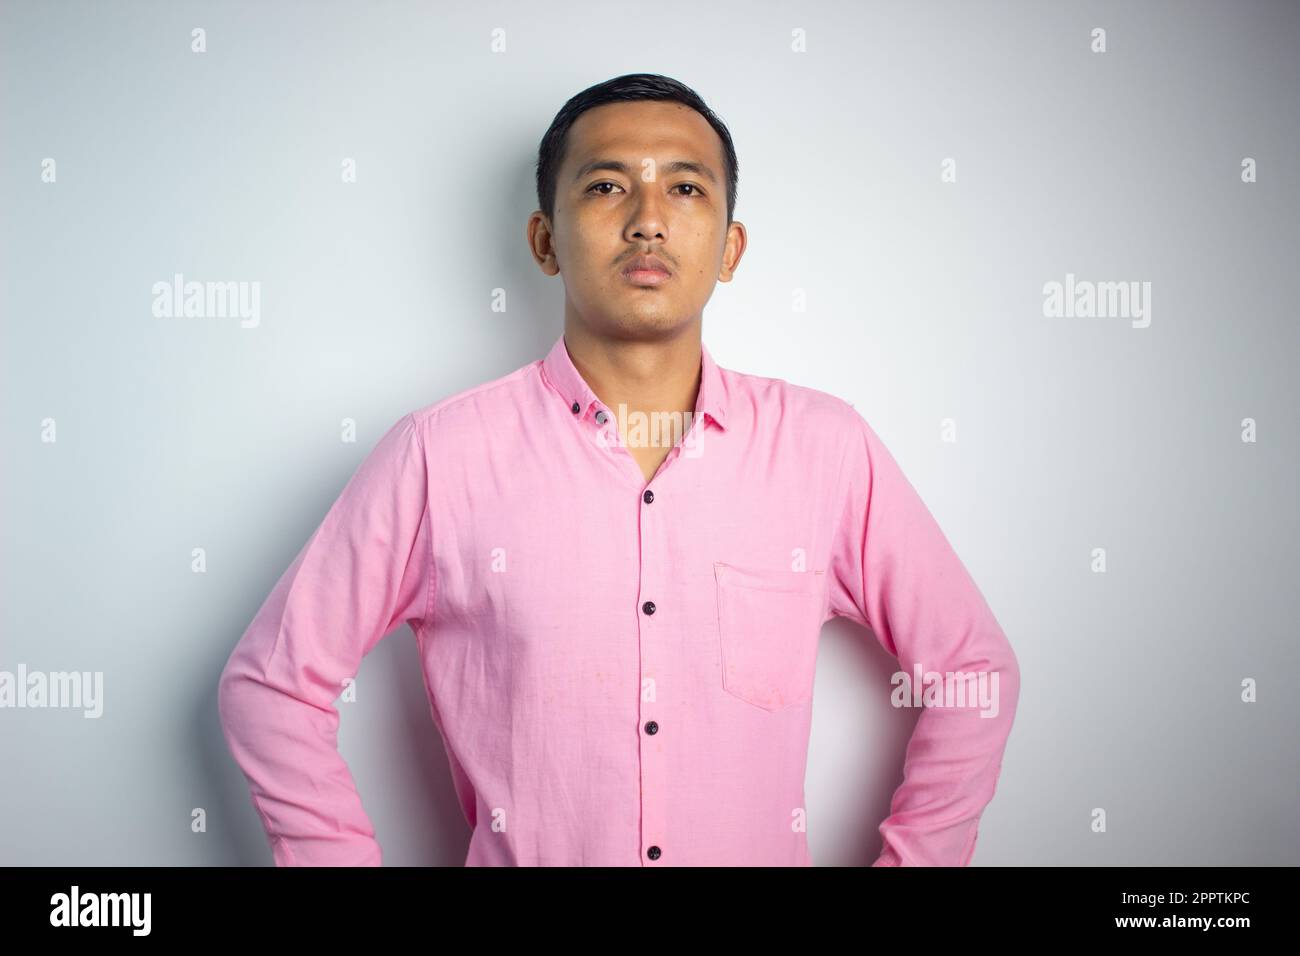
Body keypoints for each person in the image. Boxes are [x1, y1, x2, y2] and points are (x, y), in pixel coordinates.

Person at [217, 72, 1020, 867]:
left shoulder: (825, 450)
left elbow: (973, 673)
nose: (648, 222)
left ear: (730, 248)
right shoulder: (439, 457)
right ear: (544, 241)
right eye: (606, 186)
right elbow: (272, 687)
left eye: (686, 189)